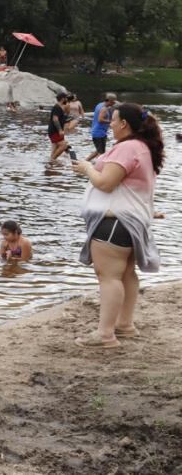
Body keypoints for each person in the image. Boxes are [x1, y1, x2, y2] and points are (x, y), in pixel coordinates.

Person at [70, 103, 164, 348]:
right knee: (126, 274)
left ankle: (105, 335)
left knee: (109, 277)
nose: (108, 123)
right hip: (130, 222)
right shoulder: (142, 148)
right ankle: (124, 325)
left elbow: (106, 183)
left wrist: (87, 167)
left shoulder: (127, 148)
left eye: (112, 120)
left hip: (113, 222)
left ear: (124, 124)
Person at [88, 92, 117, 162]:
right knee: (101, 153)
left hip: (96, 131)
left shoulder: (99, 105)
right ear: (109, 100)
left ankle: (86, 161)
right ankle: (98, 168)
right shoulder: (104, 109)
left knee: (98, 150)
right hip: (99, 133)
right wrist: (111, 122)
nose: (114, 104)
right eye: (113, 102)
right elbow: (100, 120)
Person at [48, 92, 71, 164]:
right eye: (66, 98)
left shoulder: (59, 107)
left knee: (55, 149)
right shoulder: (57, 107)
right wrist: (60, 130)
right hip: (55, 131)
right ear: (63, 99)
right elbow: (55, 119)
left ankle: (51, 166)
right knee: (64, 146)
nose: (67, 99)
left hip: (54, 131)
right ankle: (52, 161)